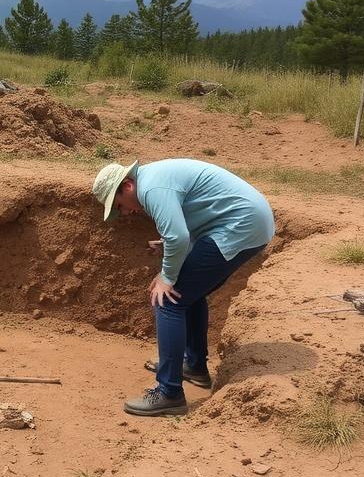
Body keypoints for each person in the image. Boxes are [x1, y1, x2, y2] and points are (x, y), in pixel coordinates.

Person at [91, 158, 274, 416]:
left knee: (168, 300)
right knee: (188, 293)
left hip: (239, 226)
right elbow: (186, 227)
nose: (124, 212)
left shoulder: (151, 189)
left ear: (127, 185)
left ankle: (169, 393)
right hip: (246, 223)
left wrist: (166, 277)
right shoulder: (155, 179)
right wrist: (169, 248)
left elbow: (178, 236)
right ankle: (195, 366)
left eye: (119, 205)